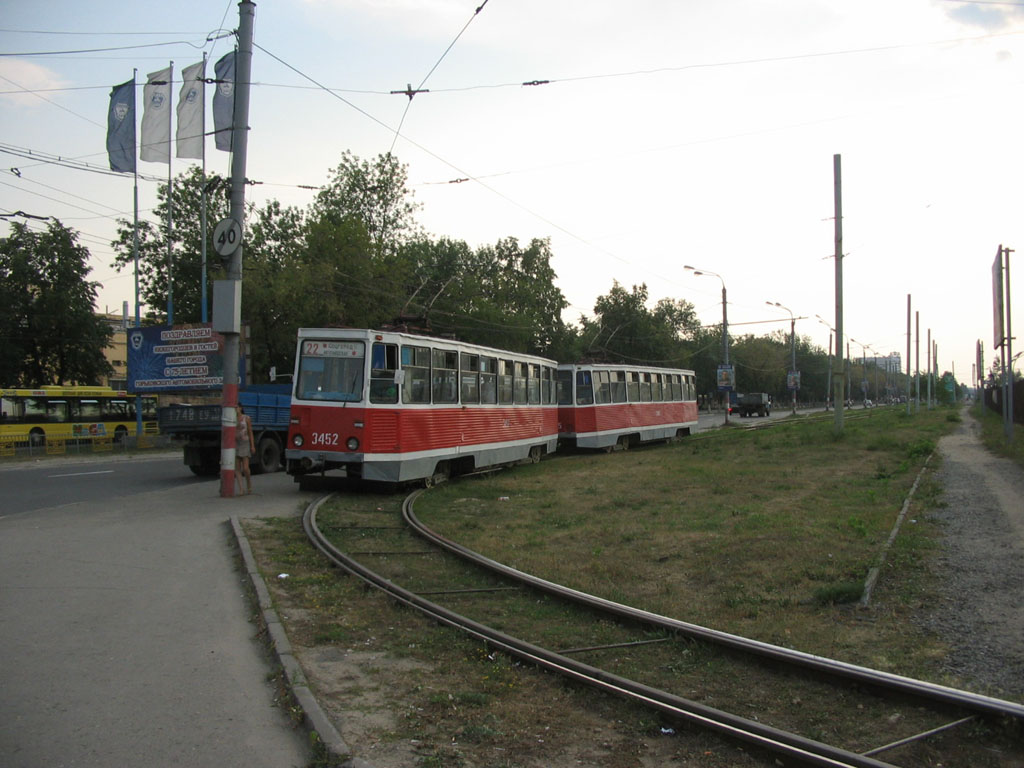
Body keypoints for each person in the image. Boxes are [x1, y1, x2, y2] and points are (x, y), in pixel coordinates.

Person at [235, 404, 255, 495]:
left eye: (237, 407)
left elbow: (250, 432)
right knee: (237, 468)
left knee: (245, 468)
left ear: (241, 408)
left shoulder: (246, 418)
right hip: (236, 444)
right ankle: (241, 489)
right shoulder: (232, 419)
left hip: (245, 444)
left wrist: (252, 446)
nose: (235, 409)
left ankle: (248, 484)